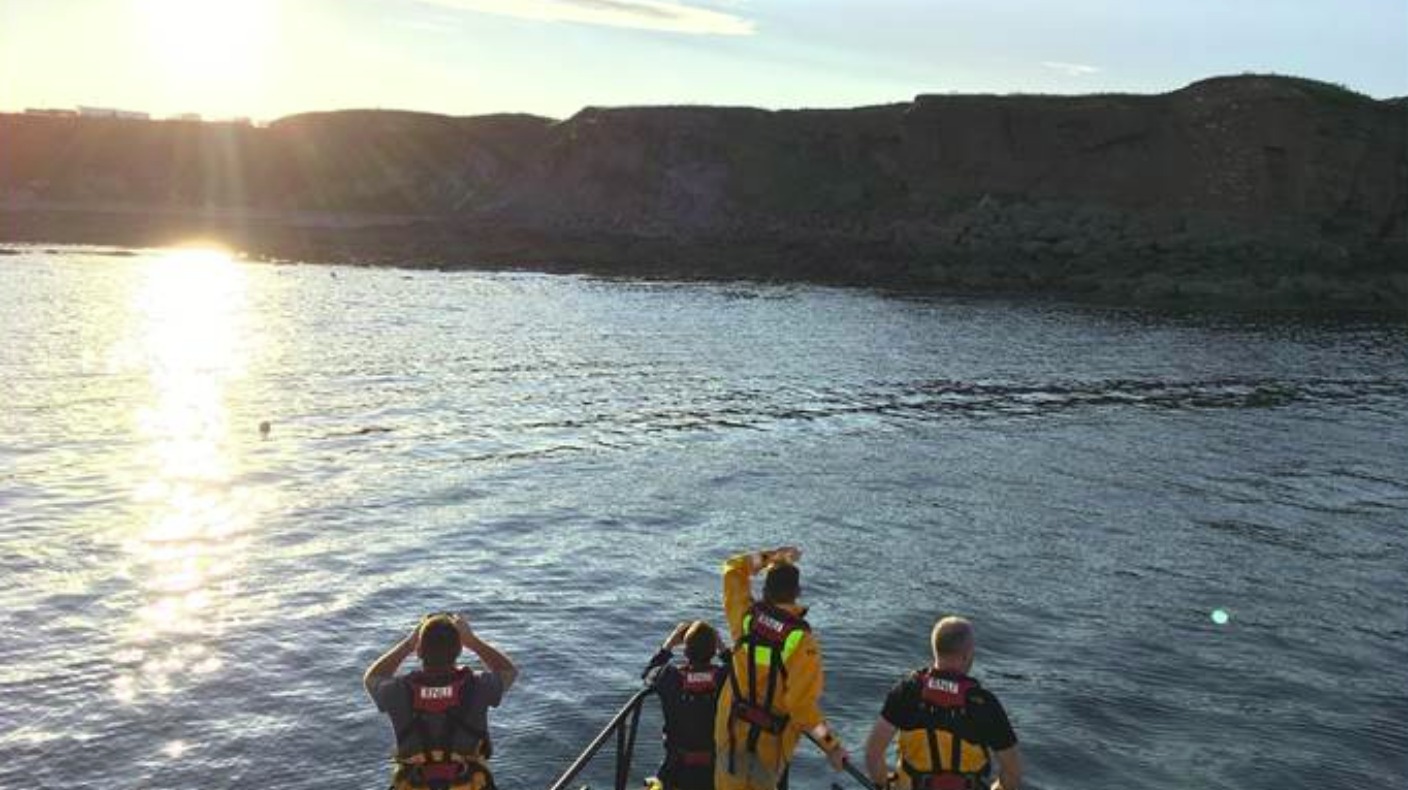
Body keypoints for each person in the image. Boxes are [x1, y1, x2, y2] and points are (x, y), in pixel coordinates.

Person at [715, 546, 847, 790]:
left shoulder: (745, 618)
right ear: (797, 593)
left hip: (730, 738)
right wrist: (832, 746)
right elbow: (802, 708)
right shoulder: (802, 642)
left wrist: (771, 557)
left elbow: (733, 569)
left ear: (765, 590)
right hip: (769, 750)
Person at [862, 616, 1022, 790]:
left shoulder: (907, 691)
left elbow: (873, 755)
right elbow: (1012, 773)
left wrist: (884, 784)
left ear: (935, 650)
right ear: (966, 655)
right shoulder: (984, 704)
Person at [364, 613, 519, 790]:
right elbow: (508, 671)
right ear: (459, 650)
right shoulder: (479, 686)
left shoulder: (397, 691)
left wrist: (408, 644)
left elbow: (372, 678)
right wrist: (473, 641)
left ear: (419, 651)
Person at [642, 621, 731, 790]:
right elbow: (741, 670)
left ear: (685, 652)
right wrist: (721, 645)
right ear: (713, 652)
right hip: (716, 771)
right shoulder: (725, 677)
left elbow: (648, 674)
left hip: (676, 771)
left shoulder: (669, 676)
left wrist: (669, 643)